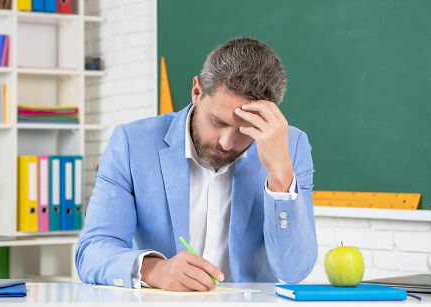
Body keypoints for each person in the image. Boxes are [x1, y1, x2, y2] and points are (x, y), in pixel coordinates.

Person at [75, 37, 317, 291]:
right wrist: (155, 270)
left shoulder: (291, 147)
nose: (226, 143)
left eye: (246, 129)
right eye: (218, 122)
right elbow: (92, 251)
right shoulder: (132, 144)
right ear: (197, 91)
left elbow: (293, 272)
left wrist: (280, 176)